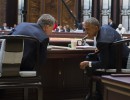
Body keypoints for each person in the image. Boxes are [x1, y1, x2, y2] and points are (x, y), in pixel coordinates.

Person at [80, 17, 130, 100]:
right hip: (123, 58)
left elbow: (104, 64)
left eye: (87, 29)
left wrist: (87, 64)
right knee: (90, 57)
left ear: (96, 28)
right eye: (85, 29)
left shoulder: (101, 41)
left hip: (120, 64)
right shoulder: (105, 27)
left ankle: (97, 95)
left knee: (89, 65)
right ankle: (96, 94)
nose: (86, 32)